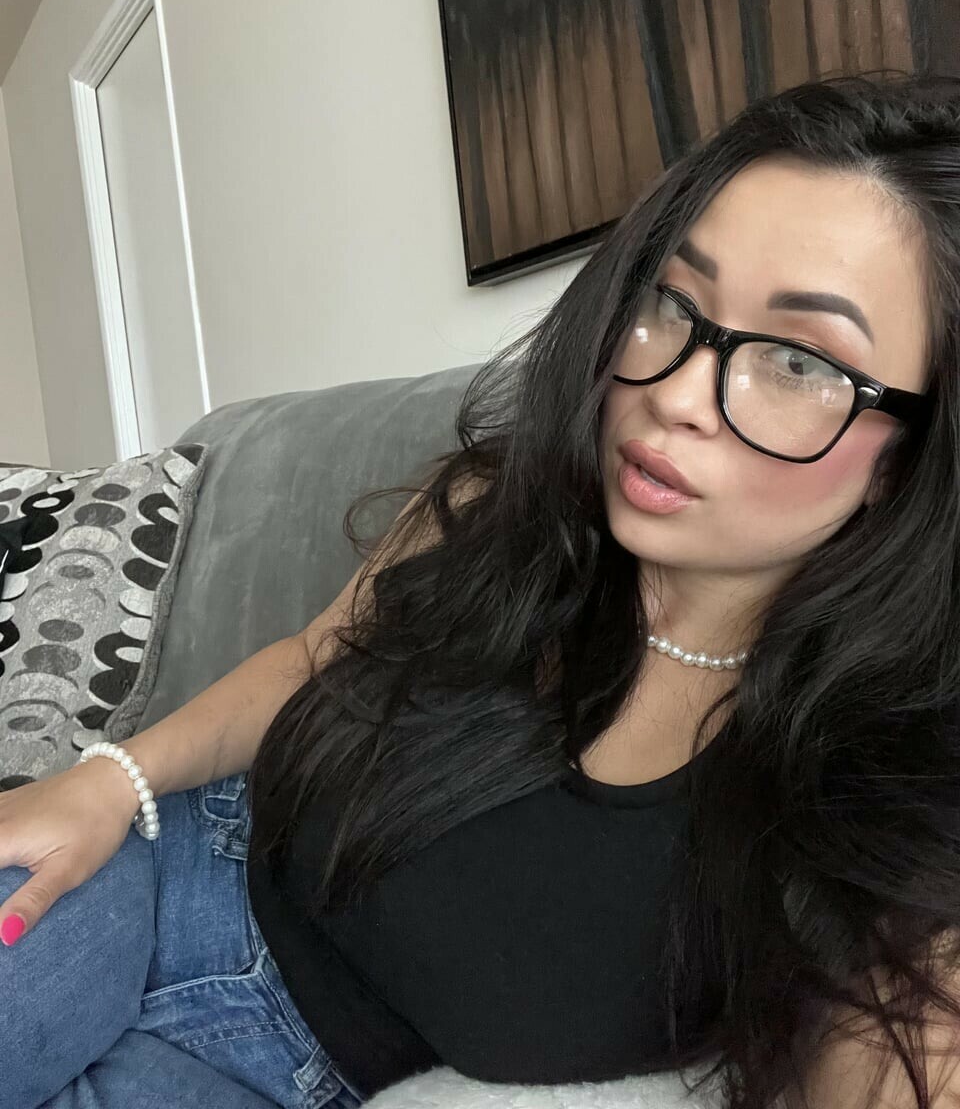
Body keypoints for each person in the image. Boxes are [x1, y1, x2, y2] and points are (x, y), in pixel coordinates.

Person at [2, 70, 959, 1109]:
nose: (676, 393)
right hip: (164, 875)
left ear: (910, 457)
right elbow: (314, 657)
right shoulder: (501, 508)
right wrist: (112, 781)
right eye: (670, 302)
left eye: (801, 362)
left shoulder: (888, 798)